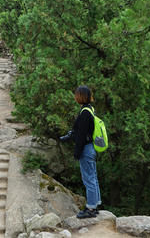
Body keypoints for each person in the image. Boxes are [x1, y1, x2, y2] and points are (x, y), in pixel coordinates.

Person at [60, 85, 101, 218]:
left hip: (86, 149)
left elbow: (82, 135)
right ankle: (95, 205)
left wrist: (77, 152)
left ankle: (90, 209)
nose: (75, 97)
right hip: (91, 147)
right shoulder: (90, 109)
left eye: (76, 94)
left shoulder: (84, 113)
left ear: (80, 96)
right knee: (93, 177)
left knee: (88, 179)